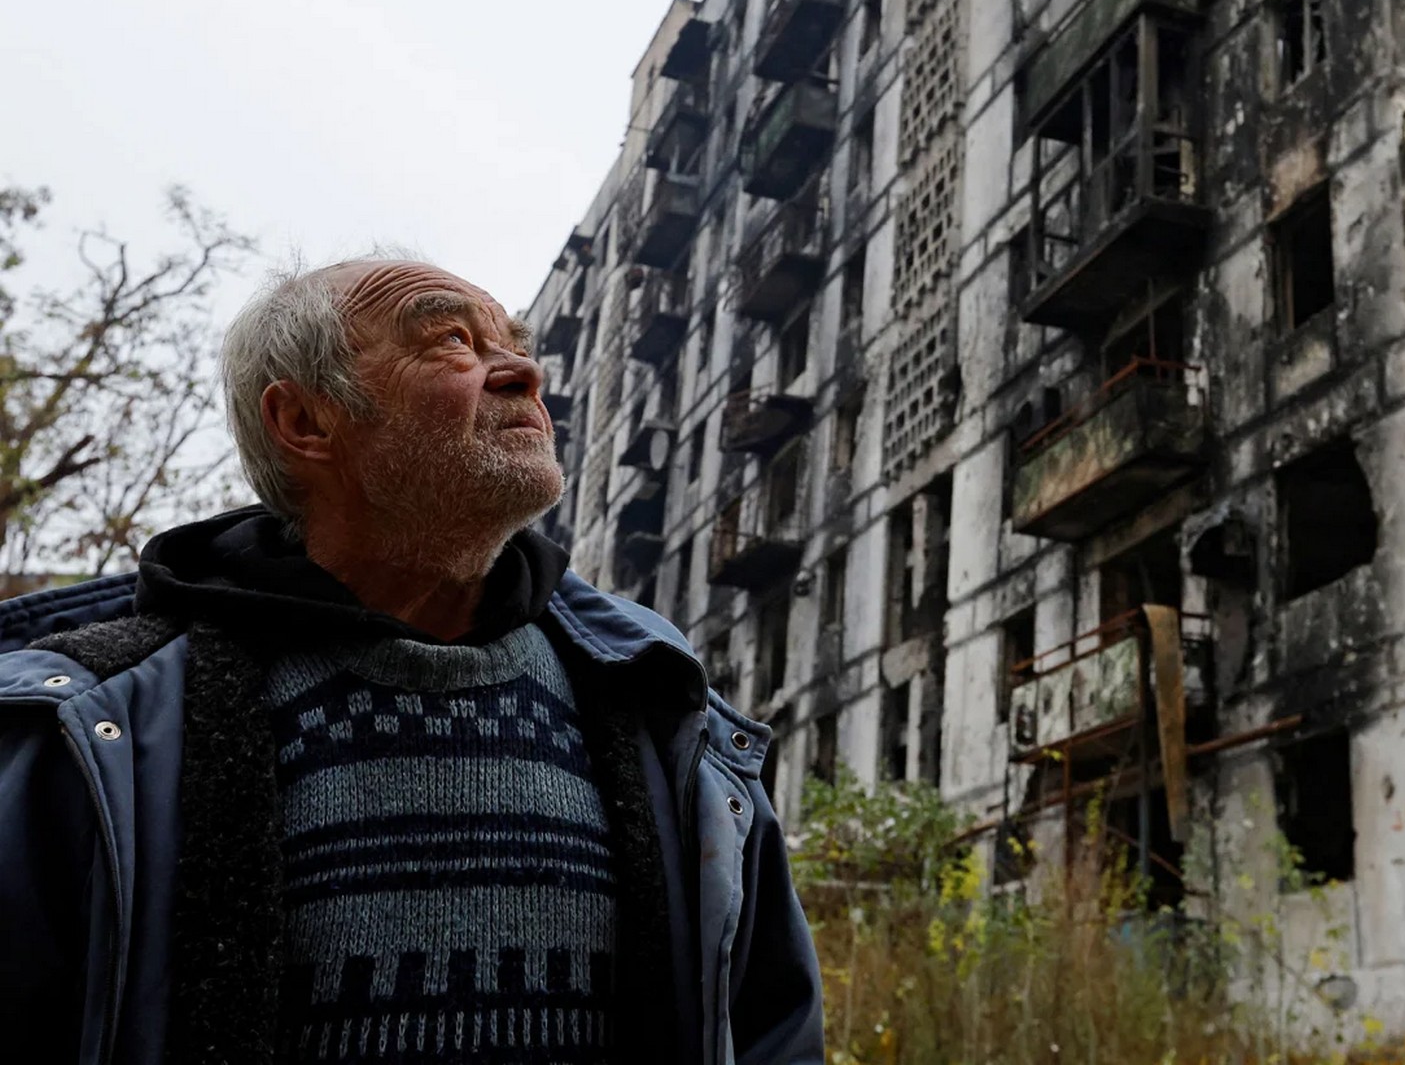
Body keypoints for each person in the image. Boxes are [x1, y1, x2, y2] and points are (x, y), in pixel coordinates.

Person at [0, 259, 823, 1065]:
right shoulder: (86, 734)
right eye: (454, 341)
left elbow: (769, 1032)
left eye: (517, 343)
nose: (525, 373)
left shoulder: (669, 716)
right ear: (306, 423)